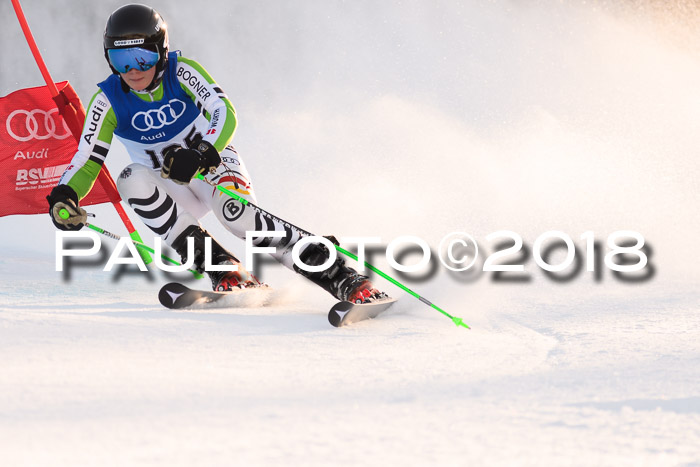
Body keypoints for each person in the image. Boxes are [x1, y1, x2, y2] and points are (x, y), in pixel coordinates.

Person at [47, 3, 381, 303]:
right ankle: (224, 269)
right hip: (173, 187)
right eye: (120, 60)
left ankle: (340, 275)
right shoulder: (107, 101)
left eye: (142, 57)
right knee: (130, 178)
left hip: (210, 167)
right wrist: (66, 194)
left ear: (160, 51)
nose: (133, 70)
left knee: (234, 215)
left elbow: (225, 112)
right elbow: (88, 158)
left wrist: (203, 153)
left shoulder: (182, 71)